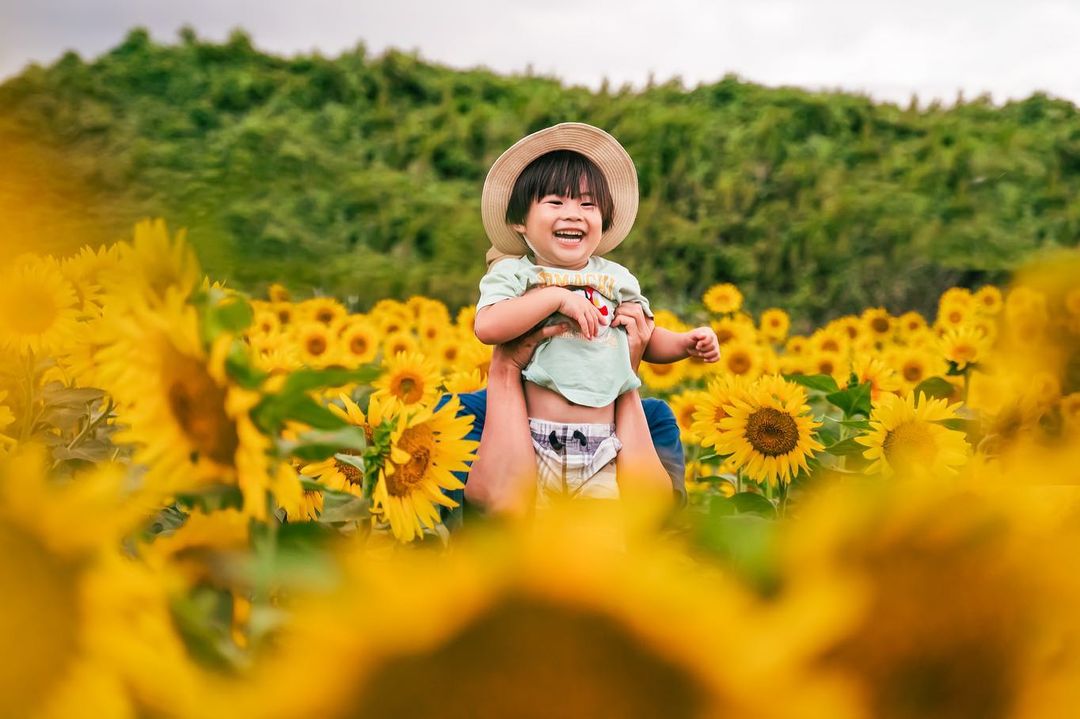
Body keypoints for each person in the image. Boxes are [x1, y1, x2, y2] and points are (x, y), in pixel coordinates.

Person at [456, 122, 719, 515]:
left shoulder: (614, 278)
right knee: (533, 535)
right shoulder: (517, 275)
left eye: (587, 204)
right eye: (555, 202)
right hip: (535, 439)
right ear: (519, 222)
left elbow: (645, 334)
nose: (573, 214)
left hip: (603, 445)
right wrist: (553, 298)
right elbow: (489, 326)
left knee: (603, 540)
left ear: (605, 222)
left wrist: (684, 343)